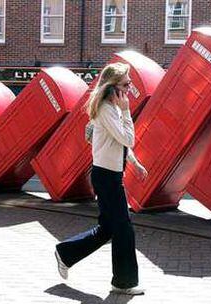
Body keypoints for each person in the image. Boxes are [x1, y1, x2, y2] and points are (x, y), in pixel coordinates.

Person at [54, 62, 148, 295]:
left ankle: (65, 253)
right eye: (126, 83)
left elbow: (120, 143)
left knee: (108, 228)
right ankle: (123, 282)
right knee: (124, 228)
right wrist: (126, 111)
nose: (130, 87)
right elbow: (128, 138)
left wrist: (135, 163)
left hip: (109, 175)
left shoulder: (111, 108)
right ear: (113, 86)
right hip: (107, 177)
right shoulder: (108, 109)